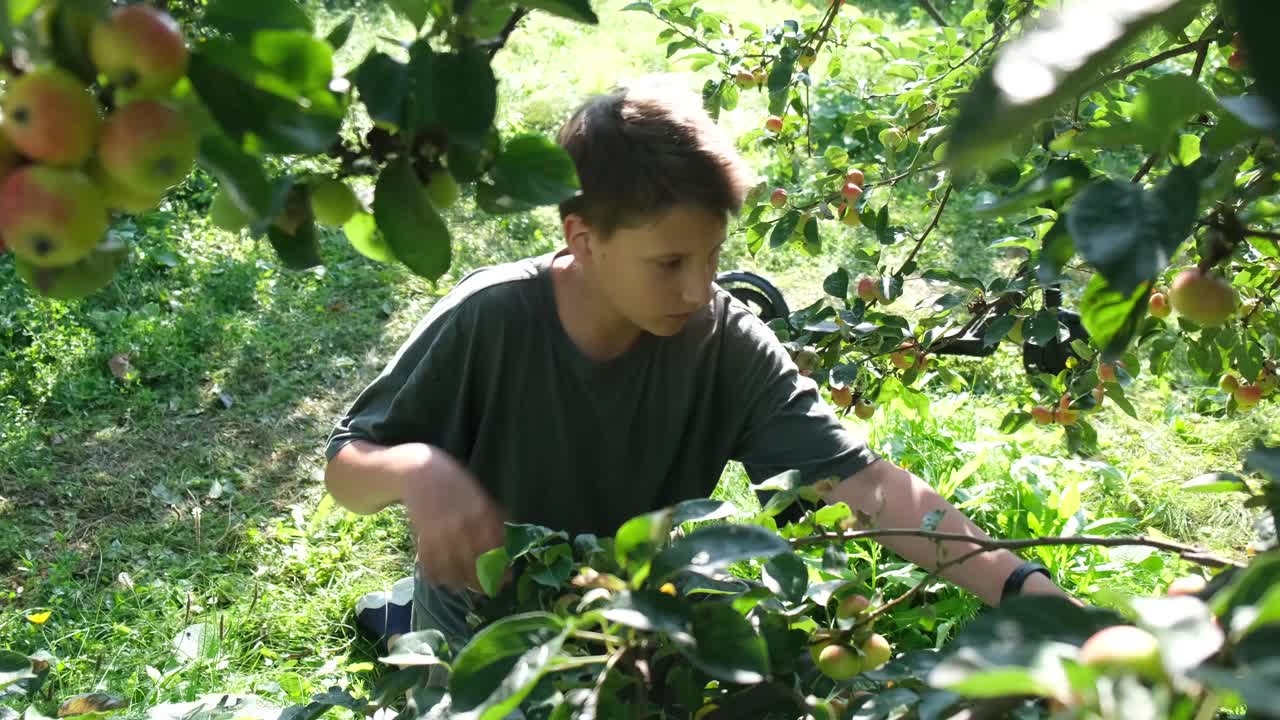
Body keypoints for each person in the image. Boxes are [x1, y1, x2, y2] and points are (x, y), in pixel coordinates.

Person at [323, 75, 1074, 662]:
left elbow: (869, 488)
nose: (697, 288)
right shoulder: (489, 317)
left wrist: (1036, 598)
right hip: (485, 618)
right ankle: (405, 622)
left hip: (637, 606)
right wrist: (417, 469)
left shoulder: (722, 337)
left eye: (712, 256)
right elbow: (346, 468)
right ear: (581, 238)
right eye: (669, 262)